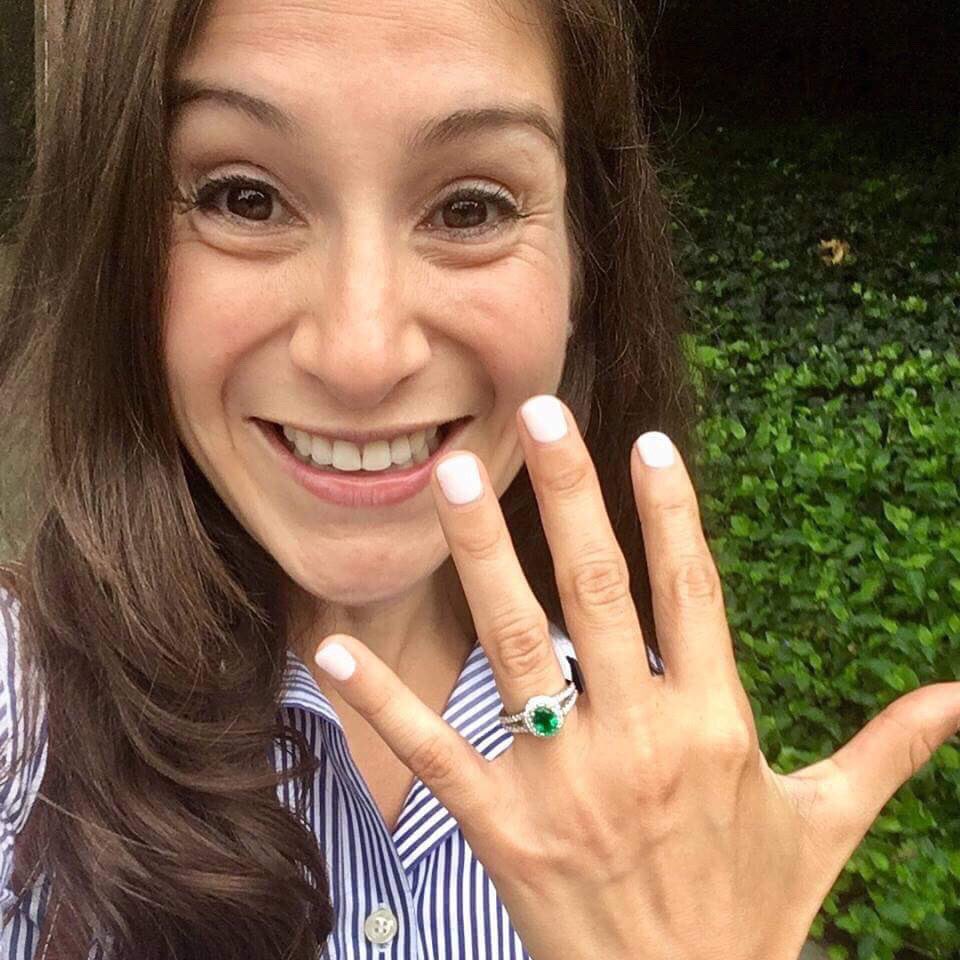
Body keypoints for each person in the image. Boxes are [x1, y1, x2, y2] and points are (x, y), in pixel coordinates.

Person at [1, 0, 958, 957]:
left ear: (589, 264)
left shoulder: (669, 763)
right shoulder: (20, 722)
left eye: (471, 208)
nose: (362, 355)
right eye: (243, 198)